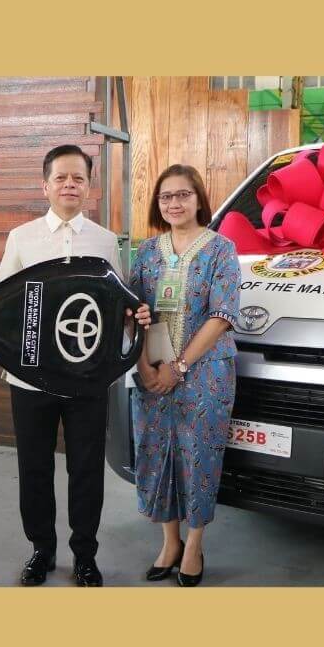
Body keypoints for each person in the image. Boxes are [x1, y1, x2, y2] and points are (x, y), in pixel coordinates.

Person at [0, 144, 151, 587]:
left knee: (86, 467)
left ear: (89, 187)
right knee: (35, 466)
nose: (70, 185)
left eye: (78, 178)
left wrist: (133, 321)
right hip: (29, 378)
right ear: (45, 185)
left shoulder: (105, 242)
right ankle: (41, 550)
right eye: (61, 178)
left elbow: (114, 309)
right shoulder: (21, 237)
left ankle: (85, 554)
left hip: (87, 378)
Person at [129, 164, 240, 587]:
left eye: (183, 195)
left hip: (206, 371)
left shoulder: (221, 250)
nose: (174, 203)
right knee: (157, 453)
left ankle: (194, 544)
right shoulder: (145, 251)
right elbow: (132, 312)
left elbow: (221, 316)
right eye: (166, 197)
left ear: (198, 198)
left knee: (200, 456)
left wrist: (180, 367)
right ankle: (169, 541)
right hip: (153, 370)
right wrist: (146, 365)